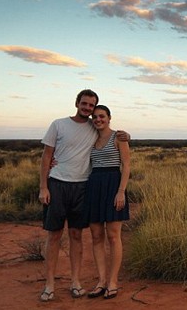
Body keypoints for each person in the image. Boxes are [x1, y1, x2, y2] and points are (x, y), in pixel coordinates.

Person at [38, 89, 128, 302]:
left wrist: (126, 136)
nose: (89, 110)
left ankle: (76, 282)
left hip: (83, 187)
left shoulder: (95, 127)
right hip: (59, 183)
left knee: (78, 235)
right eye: (85, 104)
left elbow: (118, 143)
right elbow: (46, 155)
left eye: (92, 106)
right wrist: (43, 186)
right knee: (55, 235)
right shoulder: (59, 124)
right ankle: (49, 284)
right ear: (77, 103)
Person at [84, 105, 131, 300]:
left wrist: (121, 192)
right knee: (96, 236)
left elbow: (126, 165)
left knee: (113, 236)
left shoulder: (119, 138)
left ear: (109, 118)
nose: (98, 119)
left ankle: (113, 281)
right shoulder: (90, 138)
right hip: (94, 185)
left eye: (102, 116)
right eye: (95, 117)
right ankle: (101, 281)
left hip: (113, 185)